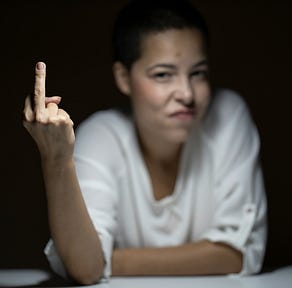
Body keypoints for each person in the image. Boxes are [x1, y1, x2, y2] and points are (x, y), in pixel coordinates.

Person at [22, 0, 267, 285]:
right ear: (123, 78)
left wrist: (108, 260)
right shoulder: (101, 136)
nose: (186, 93)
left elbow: (235, 255)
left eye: (198, 73)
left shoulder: (227, 114)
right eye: (163, 75)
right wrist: (56, 159)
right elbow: (85, 268)